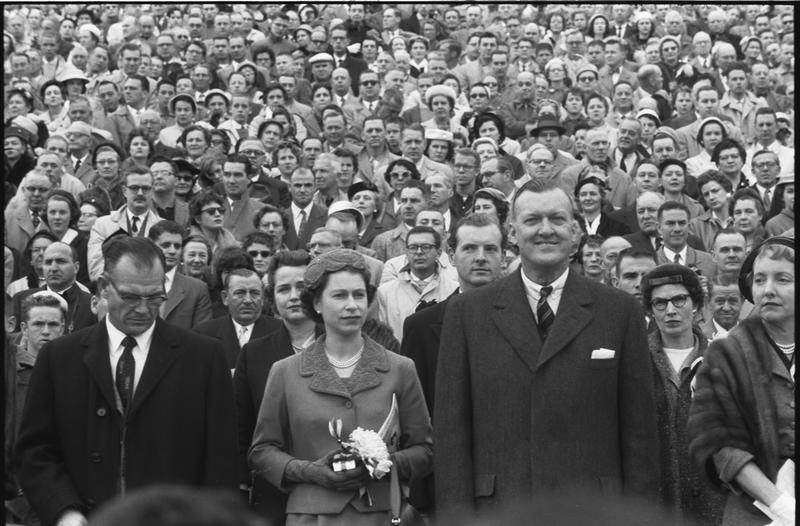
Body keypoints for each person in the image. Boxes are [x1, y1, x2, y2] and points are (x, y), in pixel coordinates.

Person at [435, 179, 659, 516]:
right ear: (511, 232)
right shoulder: (468, 314)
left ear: (574, 230)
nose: (546, 230)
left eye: (556, 219)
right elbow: (452, 436)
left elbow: (639, 433)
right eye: (532, 220)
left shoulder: (619, 311)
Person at [16, 236, 238, 525]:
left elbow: (222, 460)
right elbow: (36, 452)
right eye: (131, 297)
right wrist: (65, 512)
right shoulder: (59, 358)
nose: (144, 309)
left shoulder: (204, 358)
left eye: (155, 297)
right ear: (104, 287)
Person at [248, 249, 433, 525]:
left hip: (381, 515)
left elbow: (425, 450)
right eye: (339, 295)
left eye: (359, 295)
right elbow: (262, 452)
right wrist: (311, 471)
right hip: (311, 516)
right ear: (317, 304)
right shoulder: (285, 372)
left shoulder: (400, 368)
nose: (352, 305)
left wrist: (381, 464)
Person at [688, 237, 795, 526]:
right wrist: (782, 506)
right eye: (760, 280)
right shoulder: (727, 354)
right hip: (755, 514)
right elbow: (722, 445)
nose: (768, 289)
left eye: (782, 279)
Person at [234, 250, 317, 522]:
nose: (293, 296)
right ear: (272, 298)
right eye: (283, 289)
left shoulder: (343, 345)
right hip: (275, 489)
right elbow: (241, 427)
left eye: (301, 287)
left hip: (335, 486)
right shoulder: (254, 354)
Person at [640, 264, 725, 525]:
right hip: (654, 500)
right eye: (660, 303)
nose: (671, 311)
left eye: (679, 300)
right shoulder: (636, 361)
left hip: (712, 498)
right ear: (651, 311)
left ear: (696, 304)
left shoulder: (721, 358)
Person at [193, 268, 282, 370]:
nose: (248, 300)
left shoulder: (280, 332)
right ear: (225, 297)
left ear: (262, 298)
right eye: (240, 293)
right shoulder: (204, 335)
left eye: (254, 293)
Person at [147, 220, 212, 330]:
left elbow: (201, 336)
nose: (172, 251)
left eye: (177, 246)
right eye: (166, 245)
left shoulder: (197, 289)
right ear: (151, 246)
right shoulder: (134, 281)